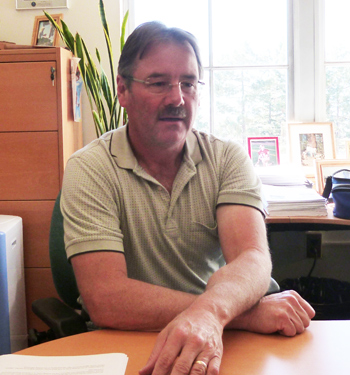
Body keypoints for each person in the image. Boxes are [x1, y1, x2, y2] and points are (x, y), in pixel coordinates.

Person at [61, 22, 315, 375]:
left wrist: (212, 315)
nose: (177, 98)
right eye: (158, 83)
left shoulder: (227, 158)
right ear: (123, 90)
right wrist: (234, 314)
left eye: (188, 83)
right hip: (136, 340)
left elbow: (252, 258)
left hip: (229, 339)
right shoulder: (90, 169)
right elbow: (107, 299)